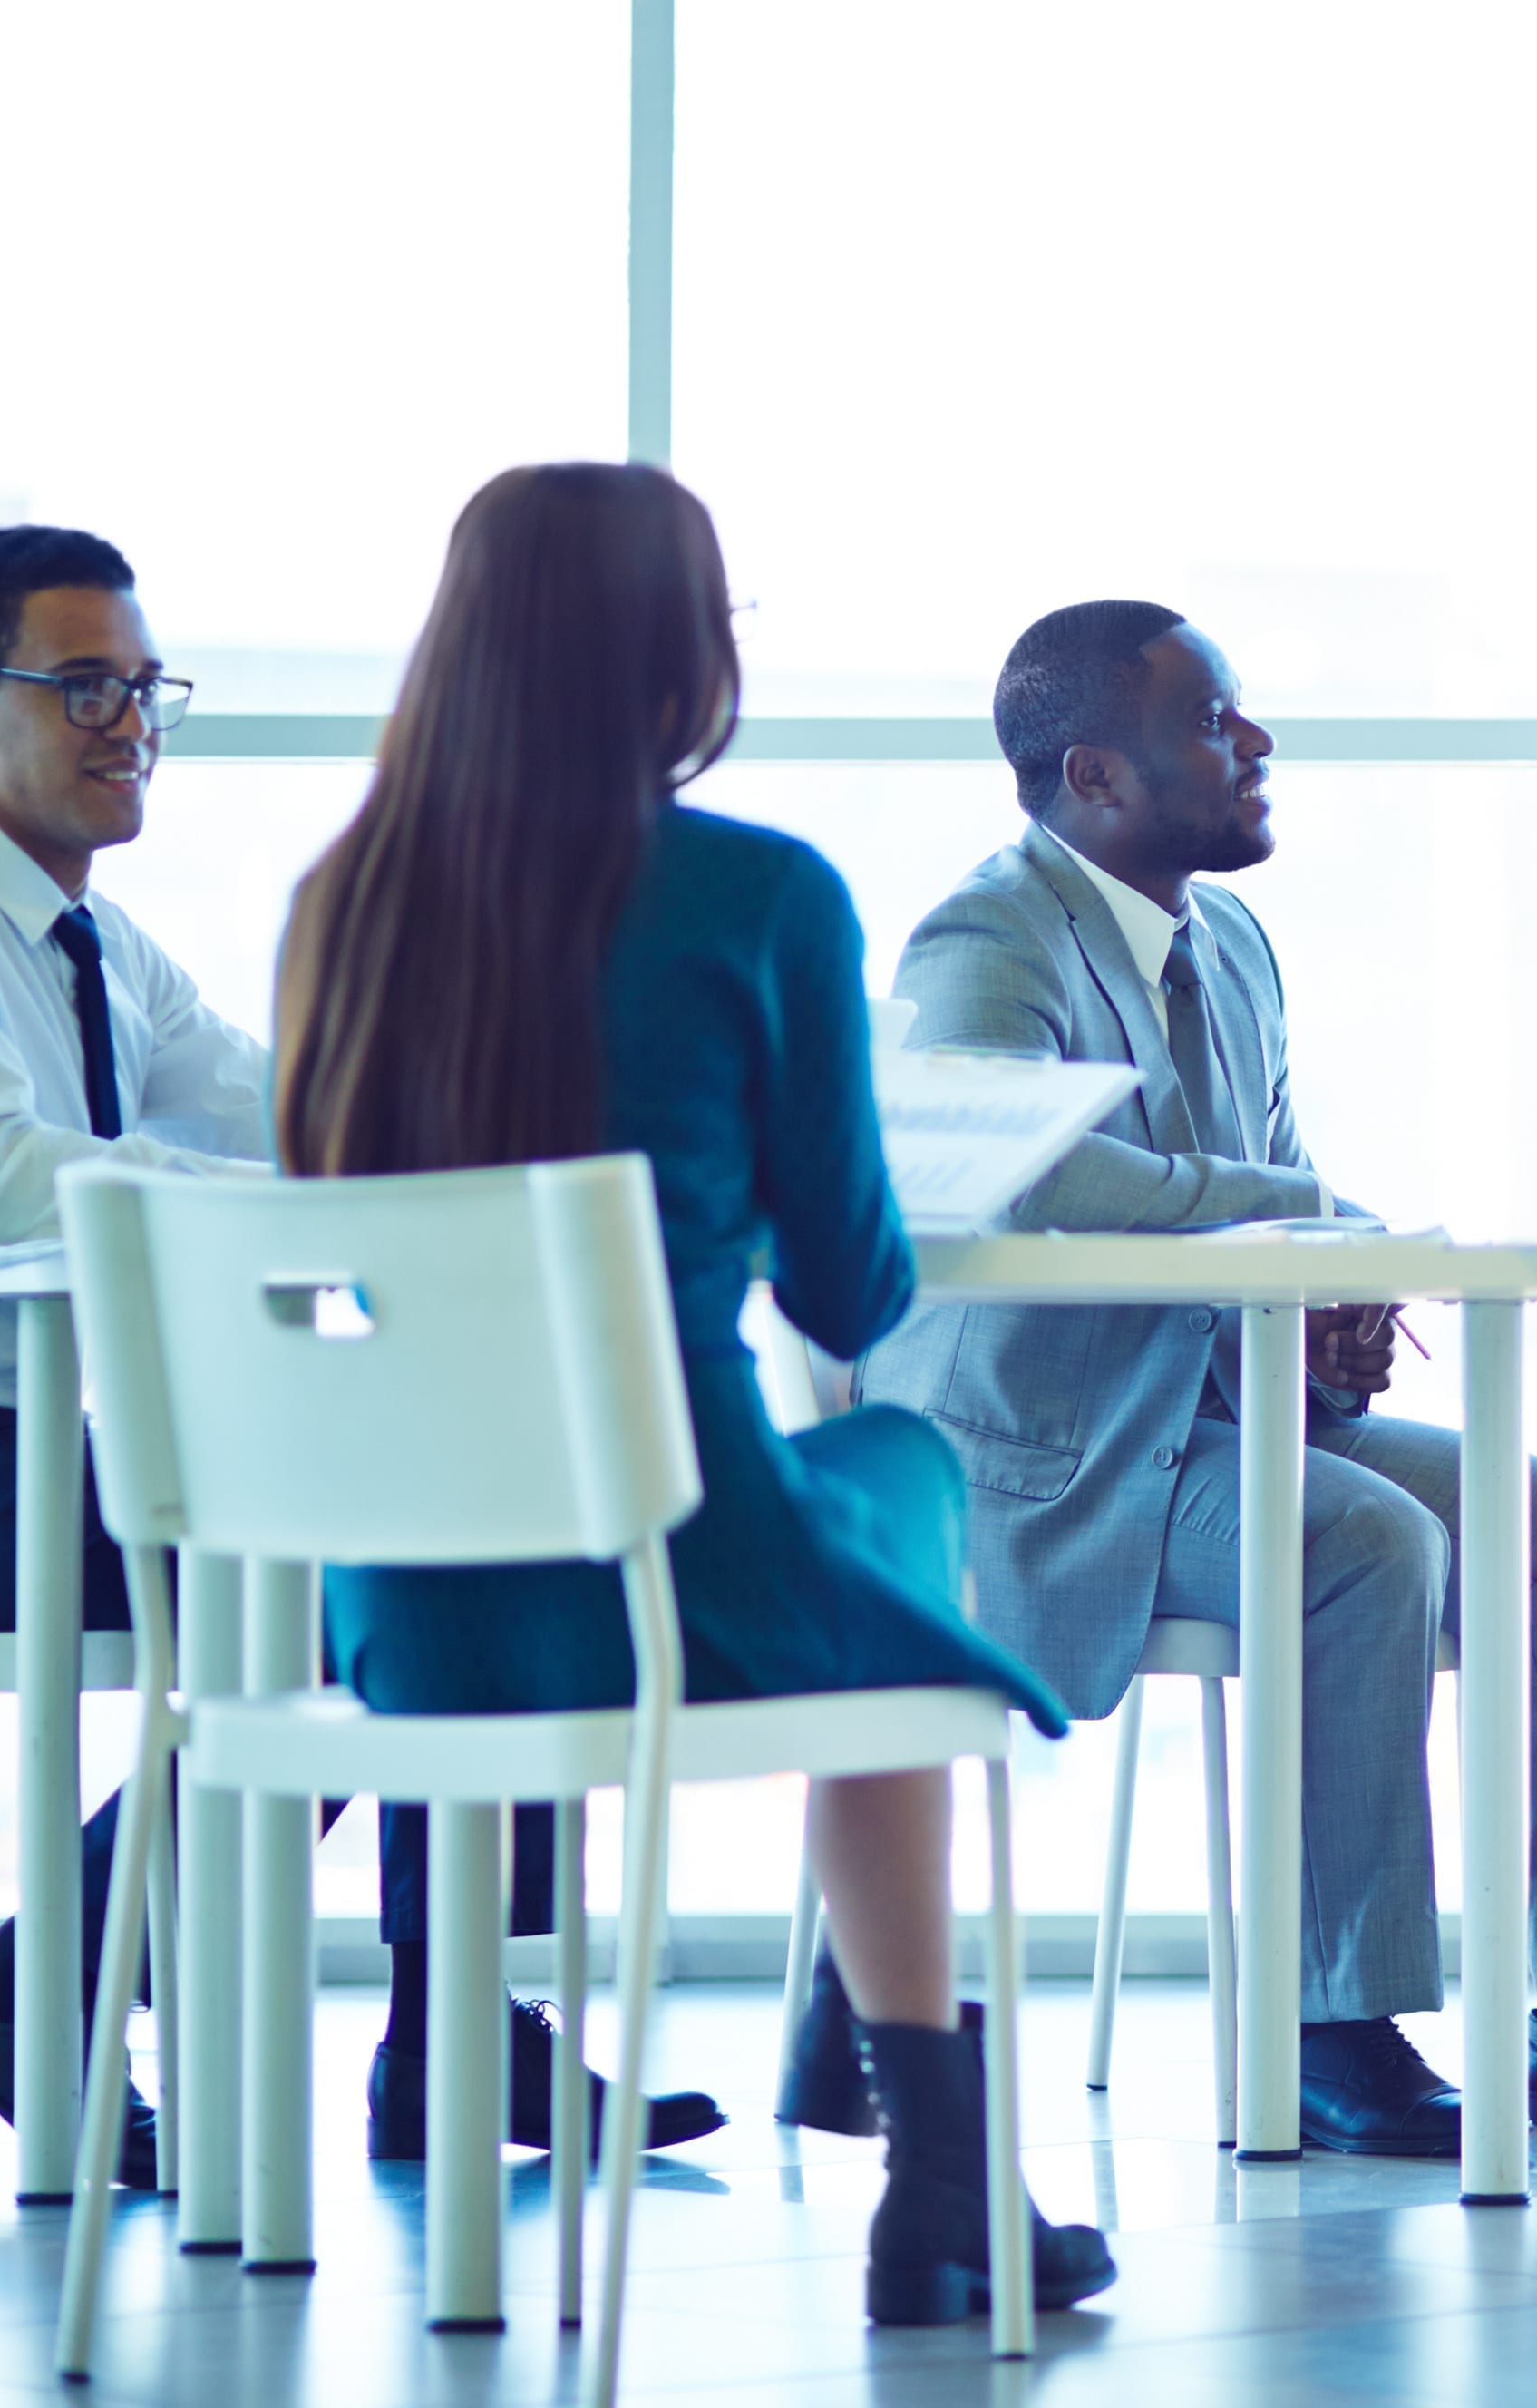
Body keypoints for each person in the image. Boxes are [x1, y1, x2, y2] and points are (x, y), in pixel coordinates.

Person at [0, 523, 719, 2189]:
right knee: (369, 1550)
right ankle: (48, 1999)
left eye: (144, 686)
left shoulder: (102, 949)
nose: (130, 723)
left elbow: (296, 1106)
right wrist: (303, 1195)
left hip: (29, 1463)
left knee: (448, 1514)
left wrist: (500, 1144)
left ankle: (448, 2030)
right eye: (81, 686)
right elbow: (5, 1184)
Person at [278, 462, 1111, 2325]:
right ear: (685, 653)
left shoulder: (340, 901)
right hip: (664, 1557)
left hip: (409, 1603)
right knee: (897, 1484)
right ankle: (941, 2161)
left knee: (872, 1549)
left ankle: (938, 2156)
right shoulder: (758, 895)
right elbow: (849, 1282)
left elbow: (339, 1233)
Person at [847, 600, 1537, 2157]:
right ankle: (1329, 2030)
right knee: (1366, 1542)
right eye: (1216, 720)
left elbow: (1268, 1175)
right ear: (1095, 773)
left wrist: (1340, 1287)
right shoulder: (988, 939)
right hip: (1049, 1458)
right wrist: (1292, 1226)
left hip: (1211, 1412)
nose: (1259, 742)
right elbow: (1034, 1184)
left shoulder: (1228, 943)